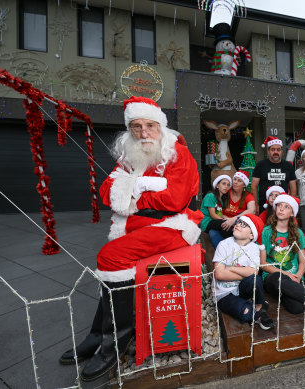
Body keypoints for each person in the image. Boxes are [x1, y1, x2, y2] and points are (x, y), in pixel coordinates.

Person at [58, 96, 202, 381]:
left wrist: (131, 192)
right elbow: (104, 193)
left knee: (110, 256)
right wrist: (145, 185)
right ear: (129, 130)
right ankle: (97, 334)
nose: (143, 132)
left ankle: (114, 344)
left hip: (172, 225)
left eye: (149, 125)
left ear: (160, 126)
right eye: (136, 126)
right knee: (112, 265)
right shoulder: (129, 156)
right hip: (138, 225)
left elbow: (174, 199)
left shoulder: (178, 155)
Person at [213, 214, 275, 330]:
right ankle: (258, 313)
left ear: (252, 235)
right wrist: (244, 272)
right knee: (245, 312)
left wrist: (230, 268)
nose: (238, 225)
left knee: (255, 280)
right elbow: (219, 274)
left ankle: (258, 305)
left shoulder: (253, 248)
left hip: (241, 289)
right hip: (224, 293)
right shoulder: (224, 245)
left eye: (244, 225)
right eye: (238, 222)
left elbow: (254, 272)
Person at [209, 170, 256, 247]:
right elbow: (218, 208)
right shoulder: (226, 191)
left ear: (244, 185)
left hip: (238, 224)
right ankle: (223, 252)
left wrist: (234, 219)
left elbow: (252, 210)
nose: (235, 182)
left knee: (243, 214)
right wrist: (226, 219)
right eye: (235, 179)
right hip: (223, 221)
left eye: (239, 180)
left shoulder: (248, 195)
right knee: (212, 231)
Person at [251, 136, 297, 214]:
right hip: (264, 205)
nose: (275, 152)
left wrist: (292, 204)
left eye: (278, 150)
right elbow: (254, 186)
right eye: (273, 149)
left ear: (282, 151)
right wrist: (256, 204)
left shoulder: (288, 166)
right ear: (268, 151)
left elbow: (293, 188)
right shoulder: (260, 165)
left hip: (283, 205)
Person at [200, 174, 232, 248]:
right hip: (207, 222)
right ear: (217, 185)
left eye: (228, 185)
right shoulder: (210, 196)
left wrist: (228, 219)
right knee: (227, 225)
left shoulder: (221, 200)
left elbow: (219, 214)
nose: (226, 187)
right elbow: (213, 215)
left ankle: (226, 247)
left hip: (214, 222)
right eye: (223, 184)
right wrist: (226, 221)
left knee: (227, 226)